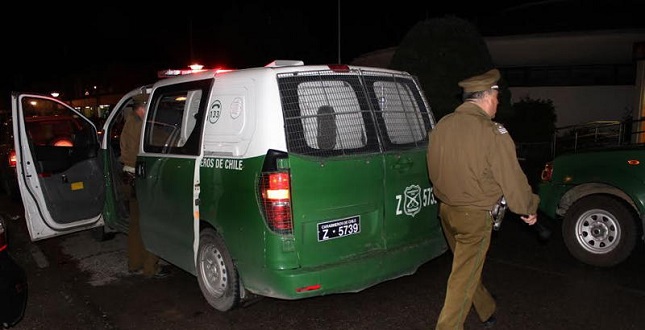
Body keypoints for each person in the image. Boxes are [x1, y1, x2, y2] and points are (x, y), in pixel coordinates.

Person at [426, 68, 539, 329]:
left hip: (446, 211)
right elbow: (512, 178)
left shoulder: (442, 125)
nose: (499, 103)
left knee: (466, 267)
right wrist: (527, 206)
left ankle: (486, 308)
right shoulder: (492, 131)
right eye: (497, 97)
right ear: (488, 96)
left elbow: (432, 169)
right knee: (462, 278)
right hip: (474, 217)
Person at [120, 93, 170, 279]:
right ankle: (151, 267)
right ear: (143, 107)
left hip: (130, 177)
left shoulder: (130, 122)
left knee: (136, 224)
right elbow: (158, 143)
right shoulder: (141, 125)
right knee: (151, 222)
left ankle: (134, 263)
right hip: (140, 178)